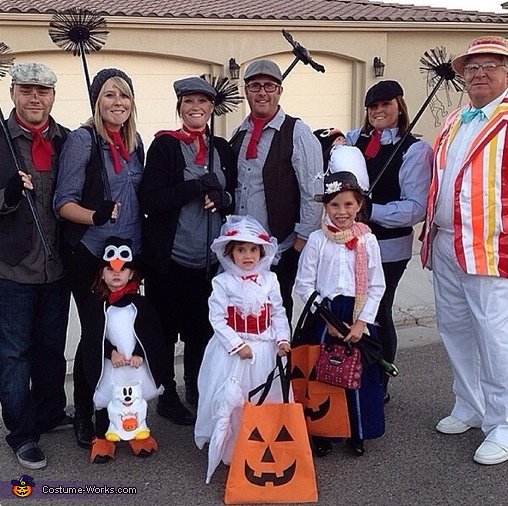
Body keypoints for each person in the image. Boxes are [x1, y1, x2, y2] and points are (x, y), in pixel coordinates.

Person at [421, 35, 508, 466]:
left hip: (490, 247)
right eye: (472, 67)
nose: (479, 73)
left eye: (490, 65)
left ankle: (503, 421)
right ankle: (470, 405)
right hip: (444, 240)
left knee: (494, 336)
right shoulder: (456, 119)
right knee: (455, 327)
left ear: (506, 72)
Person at [54, 68, 144, 449]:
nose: (117, 102)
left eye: (123, 95)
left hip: (129, 252)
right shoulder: (82, 140)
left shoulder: (136, 140)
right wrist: (95, 214)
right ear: (96, 101)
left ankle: (119, 408)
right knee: (95, 333)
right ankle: (85, 412)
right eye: (109, 95)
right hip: (91, 252)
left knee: (122, 332)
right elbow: (63, 204)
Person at [140, 76, 236, 426]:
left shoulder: (222, 148)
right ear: (179, 107)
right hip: (171, 259)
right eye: (189, 102)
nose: (196, 108)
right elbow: (151, 199)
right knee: (166, 332)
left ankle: (197, 389)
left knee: (202, 332)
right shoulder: (165, 147)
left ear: (212, 108)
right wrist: (194, 186)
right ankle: (167, 395)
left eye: (203, 102)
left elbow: (234, 194)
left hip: (209, 261)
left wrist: (223, 198)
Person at [0, 62, 71, 470]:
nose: (34, 98)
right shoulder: (0, 140)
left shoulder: (66, 140)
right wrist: (7, 194)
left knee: (50, 350)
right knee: (14, 355)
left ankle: (48, 413)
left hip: (56, 266)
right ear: (13, 94)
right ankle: (22, 433)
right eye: (26, 90)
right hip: (12, 269)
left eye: (42, 91)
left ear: (52, 97)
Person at [345, 80, 432, 401]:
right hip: (349, 245)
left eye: (386, 105)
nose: (379, 111)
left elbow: (416, 207)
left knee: (377, 314)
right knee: (348, 314)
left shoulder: (414, 150)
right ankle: (350, 374)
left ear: (399, 106)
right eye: (373, 107)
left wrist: (372, 210)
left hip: (387, 250)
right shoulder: (355, 139)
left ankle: (379, 381)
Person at [294, 157, 386, 458]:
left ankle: (357, 431)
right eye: (334, 205)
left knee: (358, 376)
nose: (341, 212)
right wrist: (329, 319)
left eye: (348, 205)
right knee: (322, 376)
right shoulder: (318, 241)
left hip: (358, 316)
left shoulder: (367, 241)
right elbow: (303, 285)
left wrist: (362, 324)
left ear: (358, 205)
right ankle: (323, 431)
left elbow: (376, 285)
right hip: (326, 316)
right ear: (326, 208)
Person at [194, 214, 291, 483]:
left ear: (261, 252)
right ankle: (233, 446)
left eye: (253, 249)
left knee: (265, 398)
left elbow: (279, 313)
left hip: (264, 350)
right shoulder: (223, 283)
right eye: (240, 250)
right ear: (230, 253)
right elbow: (217, 319)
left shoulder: (270, 280)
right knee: (234, 400)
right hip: (235, 353)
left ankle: (264, 441)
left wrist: (282, 339)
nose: (247, 255)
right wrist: (237, 345)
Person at [230, 59, 323, 320]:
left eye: (269, 86)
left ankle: (278, 362)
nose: (262, 92)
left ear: (279, 90)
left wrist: (299, 243)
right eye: (255, 86)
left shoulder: (298, 132)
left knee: (276, 314)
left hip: (279, 248)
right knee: (243, 314)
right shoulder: (239, 132)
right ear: (246, 91)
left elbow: (314, 192)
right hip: (241, 248)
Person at [79, 236, 167, 463]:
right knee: (105, 397)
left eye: (122, 269)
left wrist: (139, 352)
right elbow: (92, 336)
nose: (116, 274)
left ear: (131, 274)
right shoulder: (95, 305)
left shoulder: (141, 305)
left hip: (134, 367)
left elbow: (151, 333)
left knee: (134, 399)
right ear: (101, 273)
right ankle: (102, 439)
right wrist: (110, 352)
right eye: (110, 269)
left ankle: (138, 435)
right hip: (109, 366)